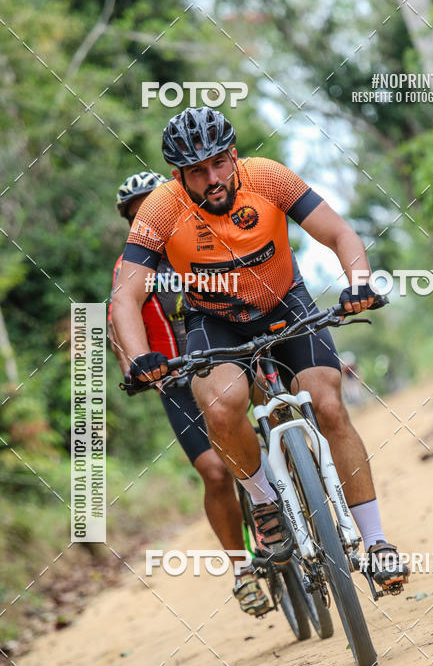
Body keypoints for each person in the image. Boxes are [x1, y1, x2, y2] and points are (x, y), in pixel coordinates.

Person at [110, 108, 410, 599]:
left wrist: (358, 282)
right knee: (222, 408)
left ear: (234, 155)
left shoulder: (269, 177)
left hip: (284, 302)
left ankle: (376, 542)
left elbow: (339, 233)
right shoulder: (160, 210)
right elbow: (127, 296)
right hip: (214, 319)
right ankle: (264, 501)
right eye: (196, 172)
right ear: (177, 176)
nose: (212, 179)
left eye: (219, 164)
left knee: (329, 402)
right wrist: (142, 358)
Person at [108, 171, 267, 615]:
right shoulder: (129, 268)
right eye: (137, 214)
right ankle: (243, 569)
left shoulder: (199, 237)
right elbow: (119, 323)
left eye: (154, 206)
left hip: (232, 354)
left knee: (276, 409)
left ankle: (301, 488)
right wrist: (134, 368)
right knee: (217, 473)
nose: (148, 219)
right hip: (176, 377)